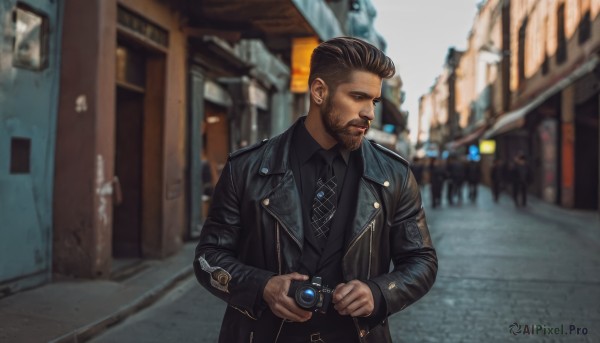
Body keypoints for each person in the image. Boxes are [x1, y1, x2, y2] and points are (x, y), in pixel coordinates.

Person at [193, 37, 437, 343]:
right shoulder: (247, 168)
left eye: (373, 101)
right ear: (319, 91)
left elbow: (422, 260)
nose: (369, 113)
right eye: (358, 97)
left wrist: (379, 292)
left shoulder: (394, 174)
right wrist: (263, 287)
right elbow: (209, 257)